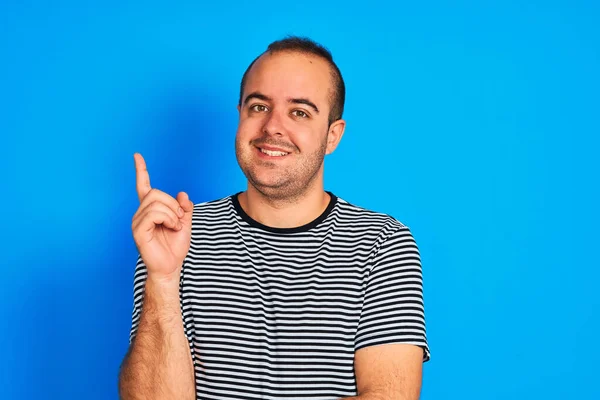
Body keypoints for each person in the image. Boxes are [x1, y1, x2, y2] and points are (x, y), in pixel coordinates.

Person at [118, 36, 430, 400]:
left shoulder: (383, 242)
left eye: (299, 112)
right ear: (240, 115)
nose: (272, 127)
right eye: (259, 107)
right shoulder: (176, 234)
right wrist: (163, 279)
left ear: (333, 136)